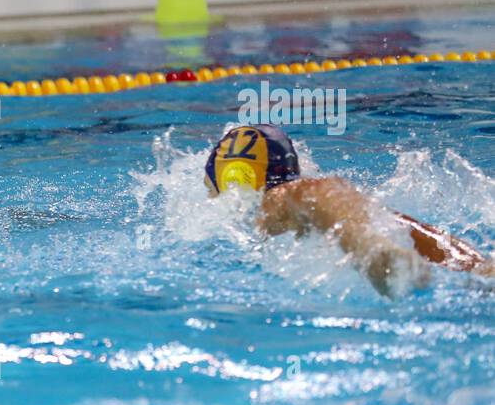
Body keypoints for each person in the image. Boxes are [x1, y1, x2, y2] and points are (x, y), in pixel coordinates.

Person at [204, 123, 495, 295]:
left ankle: (369, 246)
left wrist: (367, 246)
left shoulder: (270, 208)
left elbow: (312, 192)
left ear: (233, 176)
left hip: (371, 247)